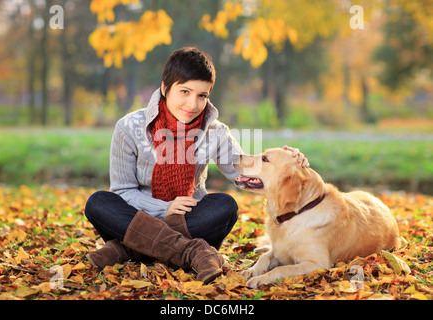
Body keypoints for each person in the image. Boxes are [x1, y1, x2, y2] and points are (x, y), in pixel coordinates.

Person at [84, 47, 309, 284]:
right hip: (141, 217)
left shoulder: (215, 131)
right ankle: (193, 252)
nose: (192, 104)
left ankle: (126, 250)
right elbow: (122, 192)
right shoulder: (129, 127)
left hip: (185, 219)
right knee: (99, 203)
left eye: (202, 95)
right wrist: (165, 208)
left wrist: (288, 164)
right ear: (164, 88)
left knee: (224, 206)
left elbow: (244, 169)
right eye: (185, 91)